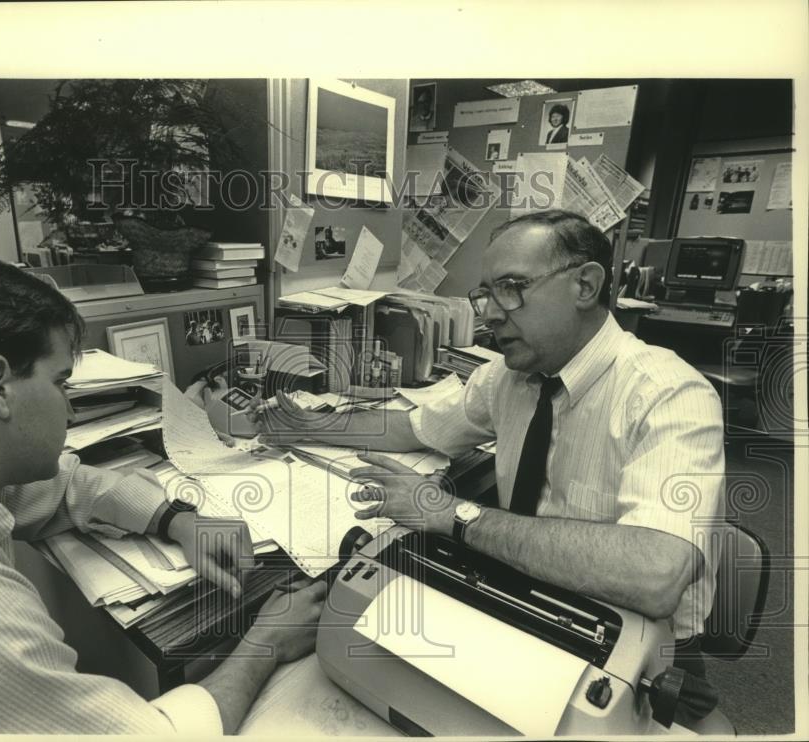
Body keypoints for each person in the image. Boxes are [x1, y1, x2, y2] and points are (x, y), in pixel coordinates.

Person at [0, 242, 326, 734]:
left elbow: (63, 487)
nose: (68, 409)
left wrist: (177, 519)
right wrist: (266, 642)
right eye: (62, 382)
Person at [257, 210, 724, 665]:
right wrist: (309, 425)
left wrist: (451, 514)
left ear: (585, 285)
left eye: (512, 289)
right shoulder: (508, 377)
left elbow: (656, 574)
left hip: (637, 652)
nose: (493, 315)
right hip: (529, 606)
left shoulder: (669, 393)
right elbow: (414, 426)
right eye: (486, 295)